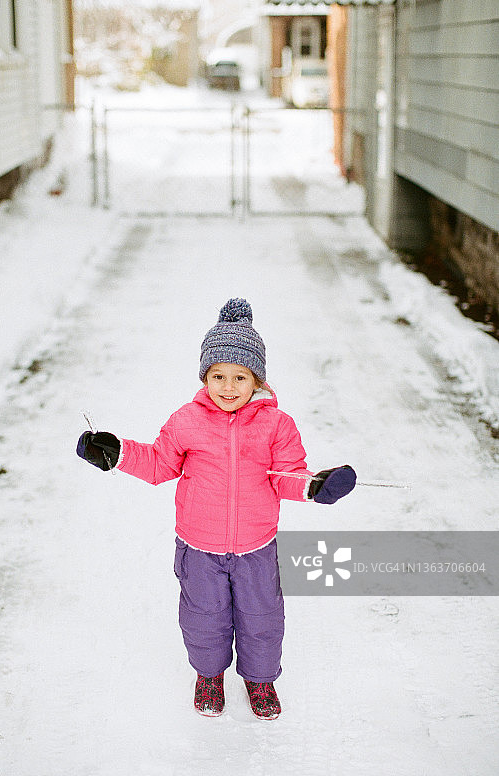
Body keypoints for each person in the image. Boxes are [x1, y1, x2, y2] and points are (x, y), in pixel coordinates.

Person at [76, 298, 356, 721]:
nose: (228, 387)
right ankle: (209, 675)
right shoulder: (187, 420)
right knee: (203, 617)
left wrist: (318, 487)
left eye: (239, 377)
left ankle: (260, 679)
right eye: (217, 376)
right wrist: (117, 454)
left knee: (261, 617)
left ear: (256, 379)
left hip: (255, 547)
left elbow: (287, 476)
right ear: (204, 377)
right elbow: (159, 463)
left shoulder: (277, 425)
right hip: (198, 547)